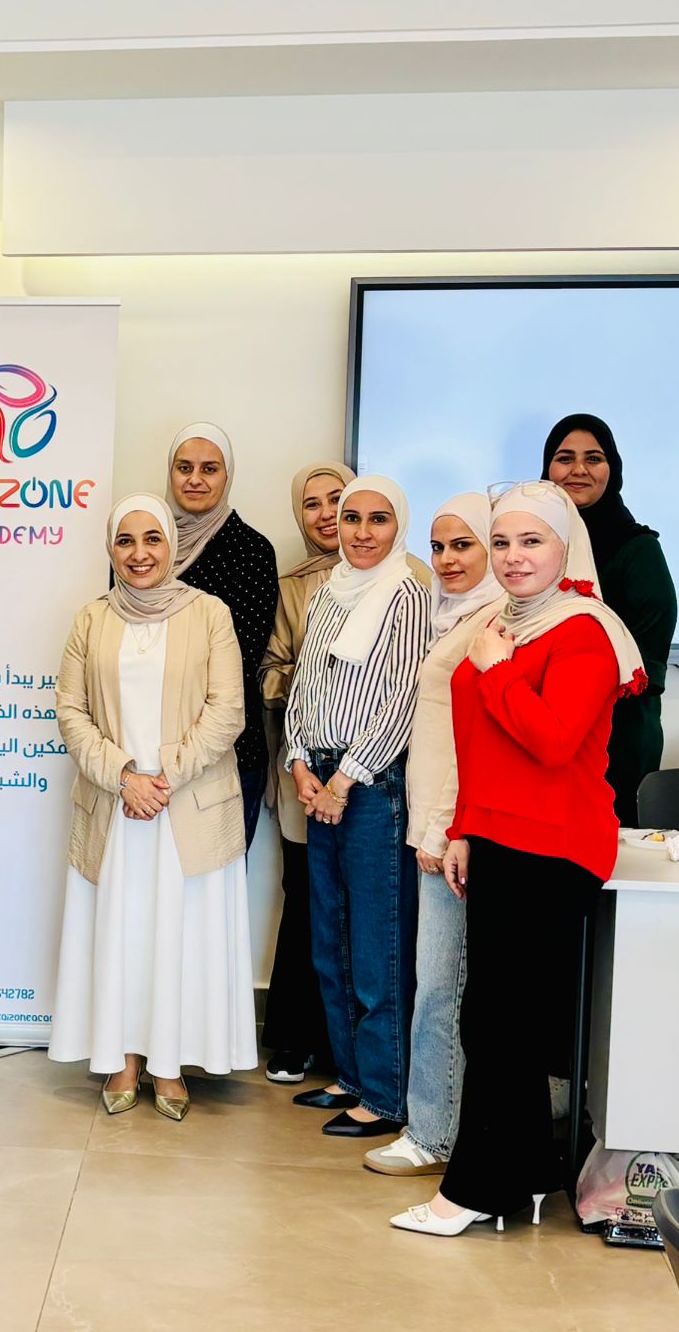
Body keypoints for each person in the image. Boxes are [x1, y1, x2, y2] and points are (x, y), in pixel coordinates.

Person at [390, 482, 645, 1235]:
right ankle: (529, 1173)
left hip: (554, 845)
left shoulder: (584, 630)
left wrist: (498, 670)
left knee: (499, 1022)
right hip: (501, 835)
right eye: (501, 542)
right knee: (497, 1018)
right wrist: (465, 827)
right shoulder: (503, 622)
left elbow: (555, 741)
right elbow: (479, 745)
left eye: (531, 541)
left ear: (567, 548)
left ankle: (473, 1190)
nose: (513, 556)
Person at [49, 494, 257, 1121]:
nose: (139, 554)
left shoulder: (210, 613)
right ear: (110, 549)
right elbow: (71, 711)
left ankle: (169, 1064)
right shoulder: (91, 619)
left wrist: (163, 777)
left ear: (172, 546)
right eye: (125, 541)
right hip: (116, 808)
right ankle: (122, 1060)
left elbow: (228, 709)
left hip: (185, 807)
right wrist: (124, 777)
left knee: (178, 934)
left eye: (152, 539)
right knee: (123, 932)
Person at [284, 475, 430, 1139]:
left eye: (378, 519)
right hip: (318, 773)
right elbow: (304, 685)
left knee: (376, 946)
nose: (362, 532)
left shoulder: (406, 593)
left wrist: (343, 781)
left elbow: (402, 700)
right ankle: (350, 1077)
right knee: (331, 939)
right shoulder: (329, 591)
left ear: (398, 526)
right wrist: (297, 761)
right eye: (352, 519)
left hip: (369, 784)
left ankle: (385, 1096)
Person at [366, 492, 502, 1180]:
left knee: (440, 986)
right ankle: (439, 1124)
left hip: (452, 833)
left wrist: (442, 829)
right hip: (437, 824)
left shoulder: (493, 620)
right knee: (440, 983)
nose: (447, 560)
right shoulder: (449, 613)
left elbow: (468, 742)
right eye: (439, 546)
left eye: (464, 545)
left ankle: (431, 1133)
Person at [257, 461, 353, 1086]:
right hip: (303, 766)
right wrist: (319, 677)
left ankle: (354, 1049)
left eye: (337, 499)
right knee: (307, 899)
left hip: (378, 770)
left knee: (368, 907)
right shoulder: (290, 586)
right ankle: (296, 1037)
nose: (326, 515)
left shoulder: (410, 577)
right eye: (311, 504)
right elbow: (268, 671)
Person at [541, 414, 675, 826]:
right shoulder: (533, 545)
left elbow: (646, 658)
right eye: (565, 458)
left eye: (594, 458)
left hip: (617, 736)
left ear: (612, 469)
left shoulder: (637, 548)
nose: (579, 469)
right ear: (547, 468)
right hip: (542, 729)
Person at [165, 424, 278, 850]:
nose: (195, 479)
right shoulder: (145, 545)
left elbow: (241, 658)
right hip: (151, 750)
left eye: (209, 469)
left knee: (217, 881)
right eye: (184, 468)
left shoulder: (251, 550)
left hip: (229, 750)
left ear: (227, 476)